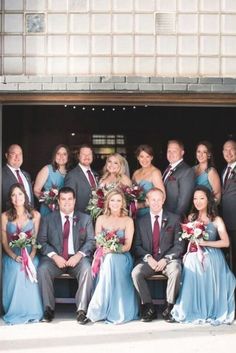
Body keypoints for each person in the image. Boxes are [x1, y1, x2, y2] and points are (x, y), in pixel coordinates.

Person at [172, 185, 235, 325]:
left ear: (208, 200)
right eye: (195, 198)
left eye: (201, 198)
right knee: (190, 261)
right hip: (195, 252)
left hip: (212, 253)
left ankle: (210, 306)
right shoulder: (191, 217)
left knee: (205, 262)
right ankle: (191, 306)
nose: (198, 201)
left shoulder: (216, 219)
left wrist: (206, 243)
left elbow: (225, 243)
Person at [37, 186, 96, 324]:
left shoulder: (85, 218)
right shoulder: (48, 219)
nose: (67, 202)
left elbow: (91, 241)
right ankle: (48, 309)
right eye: (63, 199)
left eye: (70, 199)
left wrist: (79, 255)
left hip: (77, 259)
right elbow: (41, 241)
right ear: (58, 201)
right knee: (42, 269)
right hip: (55, 259)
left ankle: (81, 310)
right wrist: (55, 256)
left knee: (87, 269)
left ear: (75, 201)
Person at [132, 188, 185, 323]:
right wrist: (148, 258)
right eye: (152, 199)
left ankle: (169, 307)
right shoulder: (140, 221)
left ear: (163, 200)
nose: (155, 202)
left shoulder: (174, 219)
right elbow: (136, 246)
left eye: (158, 199)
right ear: (148, 201)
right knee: (136, 273)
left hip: (168, 260)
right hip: (149, 260)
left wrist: (166, 259)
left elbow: (179, 245)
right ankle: (149, 307)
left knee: (176, 270)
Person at [87, 189, 139, 324]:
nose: (115, 203)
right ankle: (102, 307)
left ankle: (115, 309)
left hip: (122, 256)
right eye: (112, 200)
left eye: (118, 200)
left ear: (123, 203)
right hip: (104, 255)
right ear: (107, 203)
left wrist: (113, 249)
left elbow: (127, 246)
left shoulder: (128, 220)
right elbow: (98, 241)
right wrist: (106, 249)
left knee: (110, 259)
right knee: (108, 259)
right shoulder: (100, 219)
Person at [1, 183, 43, 324]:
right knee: (16, 269)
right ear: (10, 199)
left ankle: (32, 310)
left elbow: (35, 239)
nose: (17, 197)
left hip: (30, 253)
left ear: (25, 196)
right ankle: (14, 310)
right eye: (13, 195)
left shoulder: (35, 215)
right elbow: (4, 242)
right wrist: (13, 256)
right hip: (12, 254)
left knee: (33, 267)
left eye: (19, 194)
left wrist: (31, 255)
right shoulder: (5, 216)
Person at [34, 144, 70, 216]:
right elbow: (36, 190)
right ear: (54, 156)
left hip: (65, 211)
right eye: (58, 154)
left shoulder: (70, 172)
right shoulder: (47, 169)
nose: (61, 157)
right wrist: (50, 202)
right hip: (48, 210)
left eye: (64, 154)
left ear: (68, 157)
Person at [163, 139, 195, 220]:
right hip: (164, 214)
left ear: (182, 152)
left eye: (174, 151)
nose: (171, 154)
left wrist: (175, 219)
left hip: (174, 217)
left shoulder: (186, 171)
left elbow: (184, 201)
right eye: (169, 151)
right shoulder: (168, 168)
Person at [132, 145, 165, 217]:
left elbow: (162, 196)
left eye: (147, 156)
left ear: (151, 158)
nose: (144, 160)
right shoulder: (136, 173)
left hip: (150, 213)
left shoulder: (155, 172)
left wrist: (142, 205)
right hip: (135, 212)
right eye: (141, 156)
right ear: (138, 158)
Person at [64, 144, 98, 212]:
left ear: (92, 156)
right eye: (83, 154)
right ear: (78, 156)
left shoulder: (96, 174)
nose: (87, 156)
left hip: (96, 218)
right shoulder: (72, 175)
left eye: (89, 154)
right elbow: (68, 201)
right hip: (80, 218)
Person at [2, 144, 34, 212]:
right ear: (6, 155)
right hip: (10, 217)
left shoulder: (26, 175)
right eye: (13, 154)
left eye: (20, 154)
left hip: (29, 217)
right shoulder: (1, 174)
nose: (17, 157)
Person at [221, 138, 236, 276]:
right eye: (225, 149)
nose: (228, 152)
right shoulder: (225, 170)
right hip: (228, 221)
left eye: (231, 149)